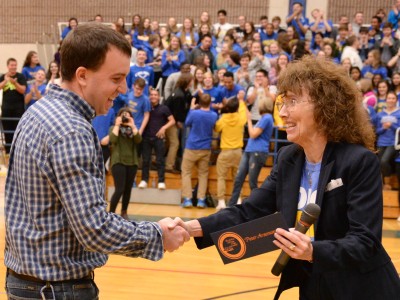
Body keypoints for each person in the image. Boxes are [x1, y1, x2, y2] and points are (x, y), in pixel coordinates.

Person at [173, 56, 400, 299]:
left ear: (326, 106)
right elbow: (249, 211)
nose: (282, 112)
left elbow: (365, 241)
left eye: (292, 101)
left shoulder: (359, 161)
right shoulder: (288, 159)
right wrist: (190, 228)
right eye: (283, 101)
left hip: (363, 288)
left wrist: (312, 250)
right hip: (313, 284)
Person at [4, 23, 189, 300]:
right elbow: (93, 229)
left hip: (27, 283)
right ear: (82, 75)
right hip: (56, 290)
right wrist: (158, 235)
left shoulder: (38, 111)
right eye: (116, 78)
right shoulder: (71, 129)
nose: (123, 88)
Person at [181, 94, 218, 208]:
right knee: (203, 174)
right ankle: (201, 200)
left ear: (199, 103)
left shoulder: (194, 113)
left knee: (186, 172)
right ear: (210, 103)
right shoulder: (214, 115)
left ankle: (187, 199)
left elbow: (187, 123)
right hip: (205, 148)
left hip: (192, 146)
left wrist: (192, 108)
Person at [214, 94, 247, 210]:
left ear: (227, 107)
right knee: (237, 178)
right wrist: (241, 100)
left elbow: (217, 128)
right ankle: (238, 200)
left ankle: (221, 202)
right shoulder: (241, 118)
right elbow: (243, 111)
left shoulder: (223, 118)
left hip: (225, 152)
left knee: (221, 177)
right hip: (238, 152)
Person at [139, 88, 175, 189]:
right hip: (146, 137)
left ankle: (161, 181)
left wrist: (163, 128)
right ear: (149, 96)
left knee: (160, 160)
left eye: (155, 95)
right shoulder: (145, 107)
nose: (153, 96)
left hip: (158, 138)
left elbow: (172, 121)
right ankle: (144, 180)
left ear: (159, 97)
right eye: (151, 95)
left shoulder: (164, 108)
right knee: (145, 160)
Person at [108, 107, 141, 220]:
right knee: (119, 189)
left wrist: (132, 125)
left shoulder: (133, 130)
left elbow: (138, 140)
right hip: (118, 162)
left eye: (128, 115)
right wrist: (117, 124)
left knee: (128, 189)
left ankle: (124, 212)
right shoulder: (114, 128)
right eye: (123, 115)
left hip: (132, 162)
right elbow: (113, 140)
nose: (125, 117)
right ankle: (111, 213)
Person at [0, 58, 27, 153]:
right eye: (12, 65)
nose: (14, 67)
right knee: (7, 132)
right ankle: (8, 152)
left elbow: (23, 90)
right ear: (8, 66)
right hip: (6, 109)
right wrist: (5, 81)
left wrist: (14, 82)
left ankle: (20, 151)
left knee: (19, 132)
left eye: (15, 65)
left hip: (18, 109)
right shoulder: (3, 76)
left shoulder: (20, 76)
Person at [376, 91, 400, 189]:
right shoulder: (380, 114)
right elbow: (377, 130)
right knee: (379, 163)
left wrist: (392, 125)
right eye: (389, 98)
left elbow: (399, 129)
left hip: (393, 143)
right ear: (386, 100)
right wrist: (383, 128)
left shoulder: (399, 112)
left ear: (396, 100)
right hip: (381, 142)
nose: (391, 100)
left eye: (393, 98)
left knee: (384, 161)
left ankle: (389, 181)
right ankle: (386, 184)